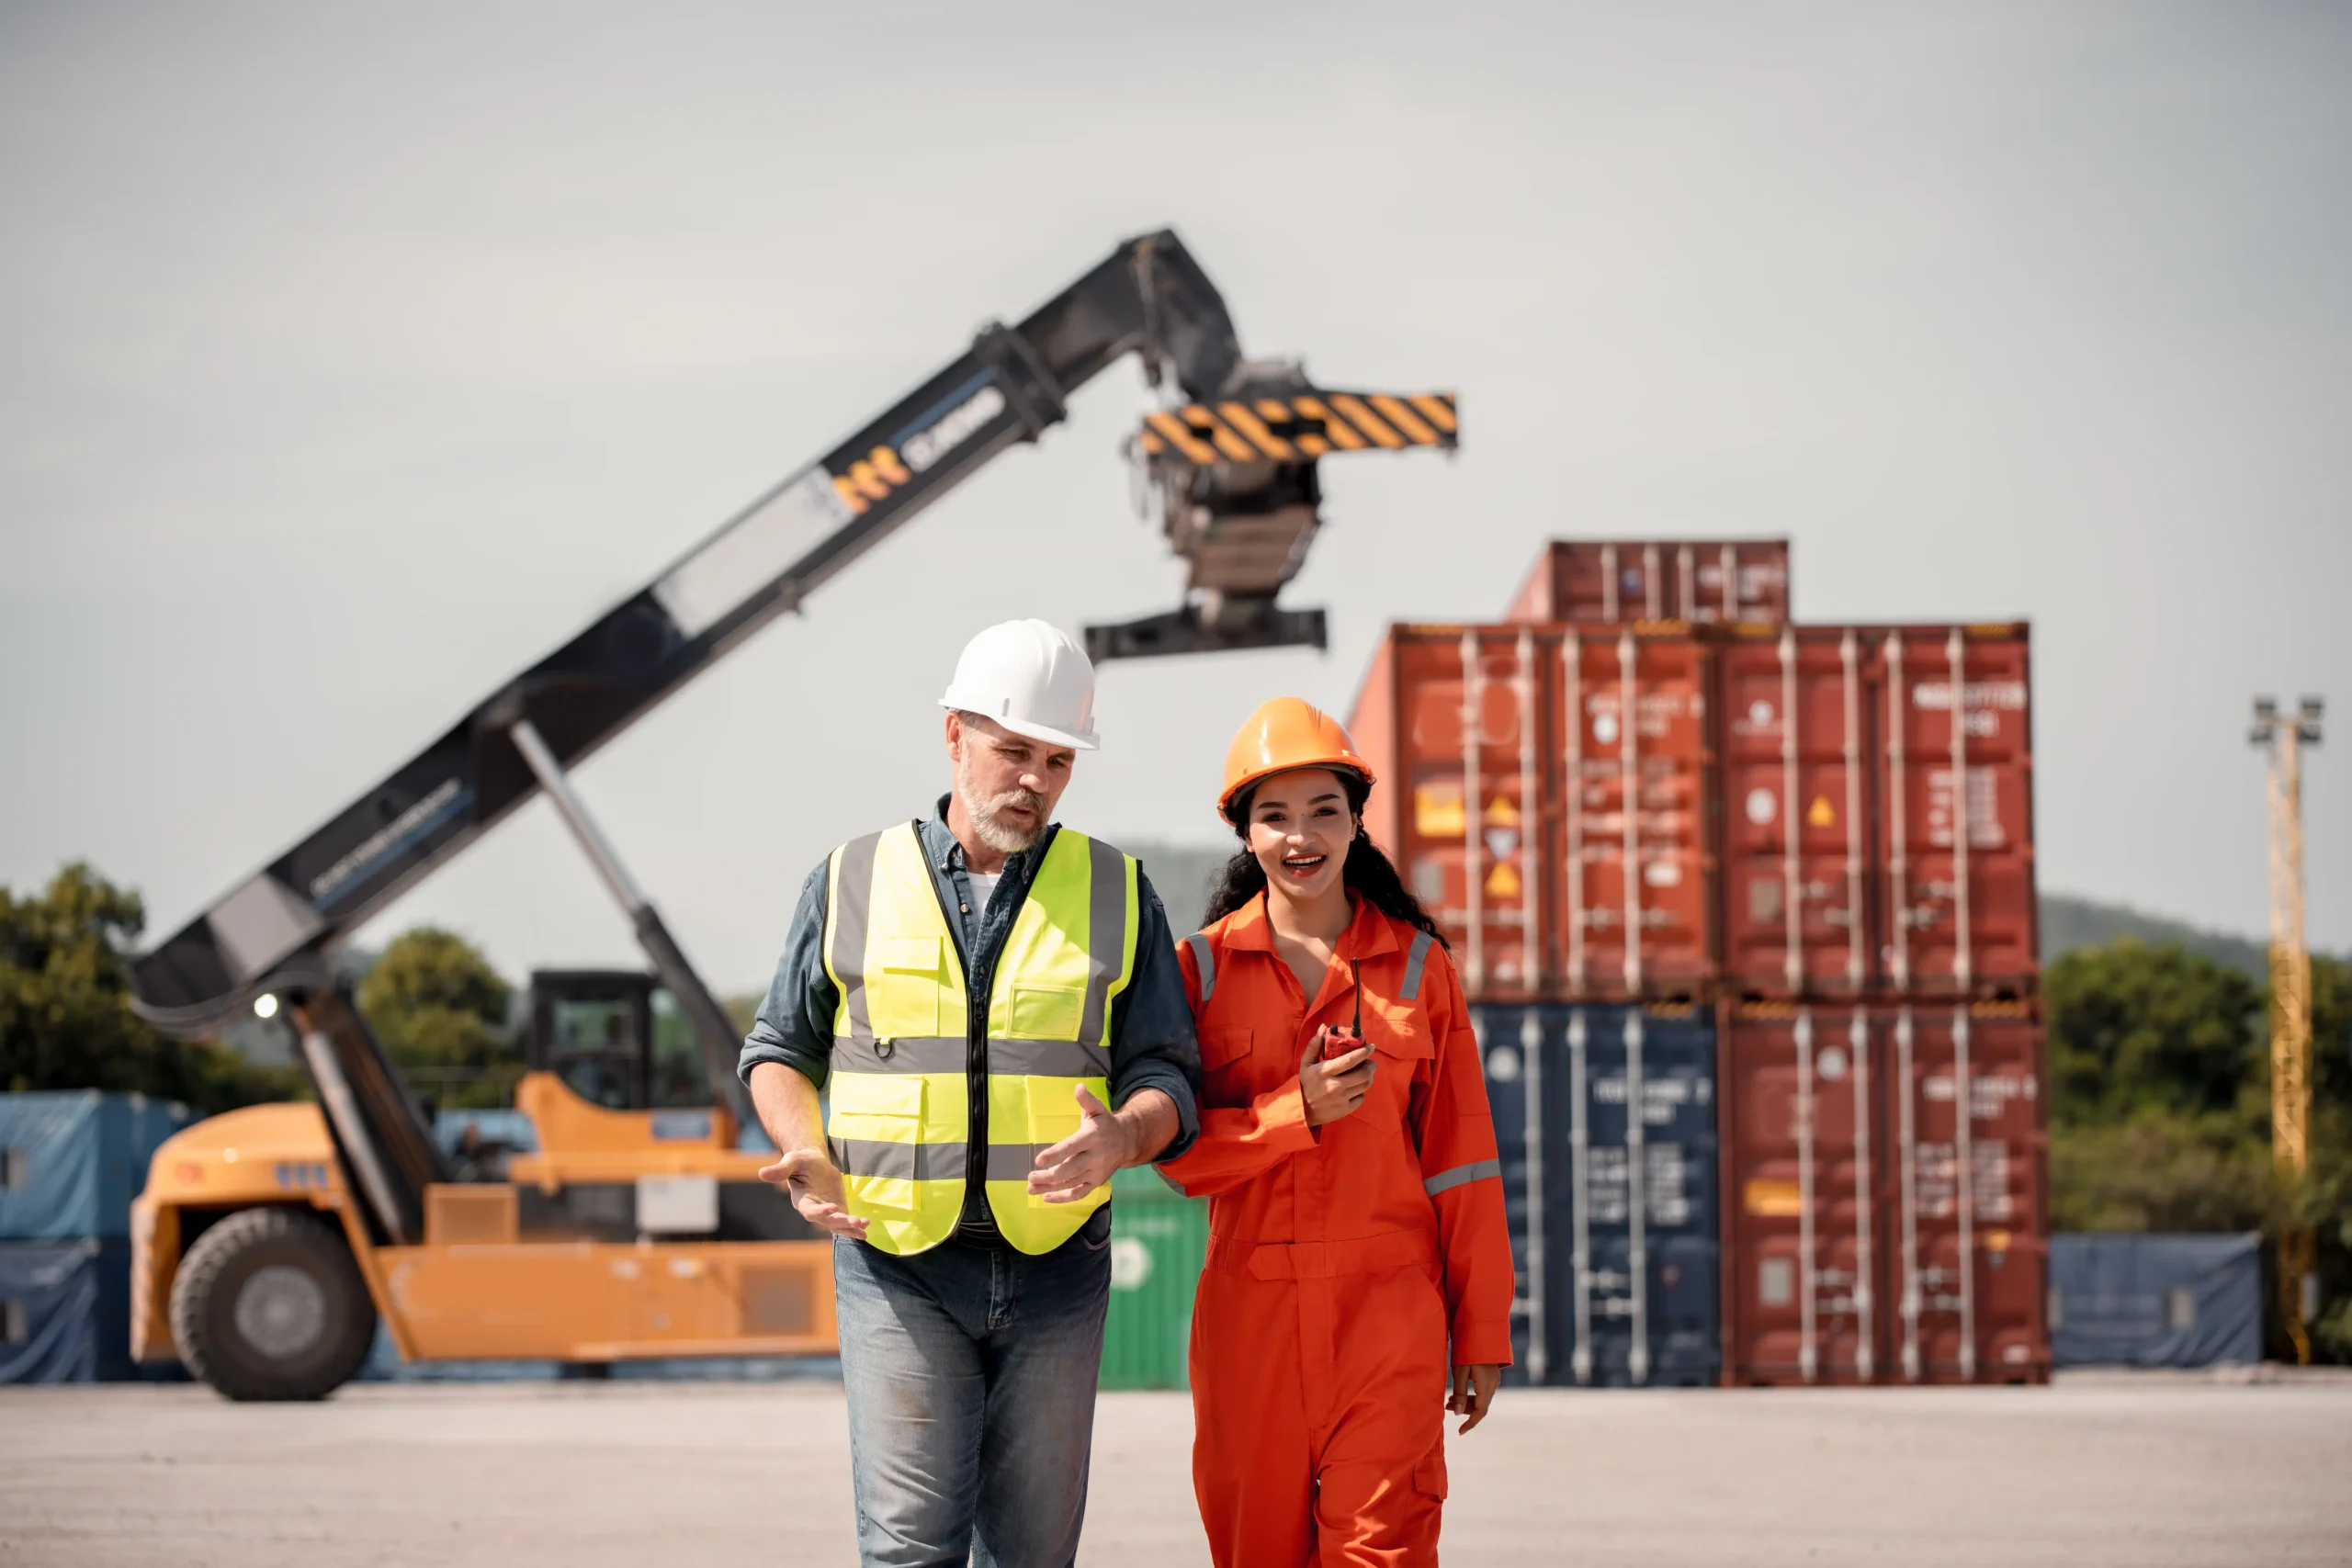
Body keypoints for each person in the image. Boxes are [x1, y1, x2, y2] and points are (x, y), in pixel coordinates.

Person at [739, 618, 1203, 1568]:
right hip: (895, 1262)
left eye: (1058, 760)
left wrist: (1123, 1136)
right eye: (1014, 751)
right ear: (954, 734)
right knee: (909, 1550)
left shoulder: (1118, 892)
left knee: (1032, 1557)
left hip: (1056, 1265)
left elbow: (1166, 1071)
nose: (1035, 779)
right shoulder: (849, 881)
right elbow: (780, 1046)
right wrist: (805, 1146)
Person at [1160, 696, 1514, 1567]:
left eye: (1324, 809)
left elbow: (1461, 1161)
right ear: (1245, 833)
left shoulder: (1420, 969)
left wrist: (1482, 1330)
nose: (1300, 834)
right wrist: (1296, 1112)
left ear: (1358, 820)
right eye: (1273, 814)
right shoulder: (1196, 971)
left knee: (1380, 1553)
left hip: (1387, 1317)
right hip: (1251, 1326)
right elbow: (1179, 1158)